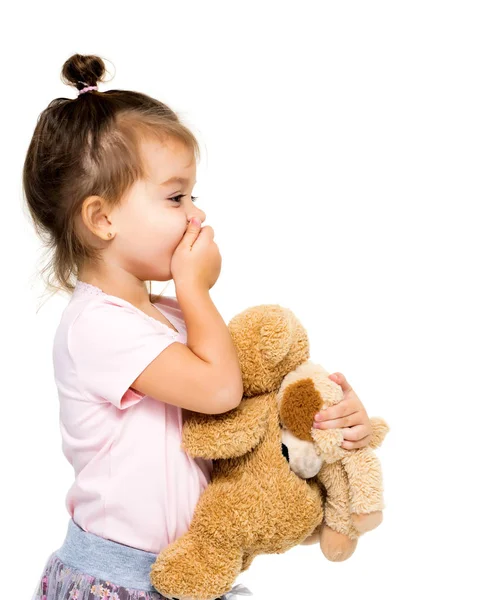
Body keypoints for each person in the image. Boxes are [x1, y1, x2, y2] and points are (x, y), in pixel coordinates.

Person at [24, 54, 373, 600]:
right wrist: (195, 287)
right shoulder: (94, 327)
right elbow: (218, 390)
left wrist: (323, 416)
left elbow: (248, 406)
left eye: (194, 197)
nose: (196, 216)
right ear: (102, 219)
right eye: (175, 197)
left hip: (196, 573)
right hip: (118, 581)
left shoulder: (167, 314)